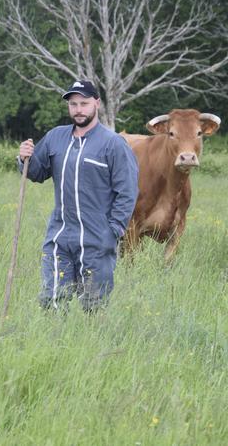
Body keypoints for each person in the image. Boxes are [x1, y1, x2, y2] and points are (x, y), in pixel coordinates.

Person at [18, 80, 139, 311]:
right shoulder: (56, 137)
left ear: (97, 103)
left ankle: (92, 345)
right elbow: (36, 172)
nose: (78, 109)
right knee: (52, 300)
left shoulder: (113, 144)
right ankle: (52, 344)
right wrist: (24, 158)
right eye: (73, 104)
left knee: (94, 306)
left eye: (84, 103)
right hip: (59, 237)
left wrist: (113, 230)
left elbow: (127, 191)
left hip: (97, 238)